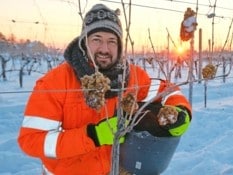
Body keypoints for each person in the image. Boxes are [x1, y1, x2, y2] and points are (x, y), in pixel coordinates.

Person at [18, 3, 192, 175]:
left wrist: (181, 112)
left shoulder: (130, 76)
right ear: (83, 43)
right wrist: (93, 135)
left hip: (116, 169)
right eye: (96, 40)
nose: (104, 49)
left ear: (119, 46)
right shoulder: (55, 82)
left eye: (111, 41)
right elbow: (32, 140)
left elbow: (167, 91)